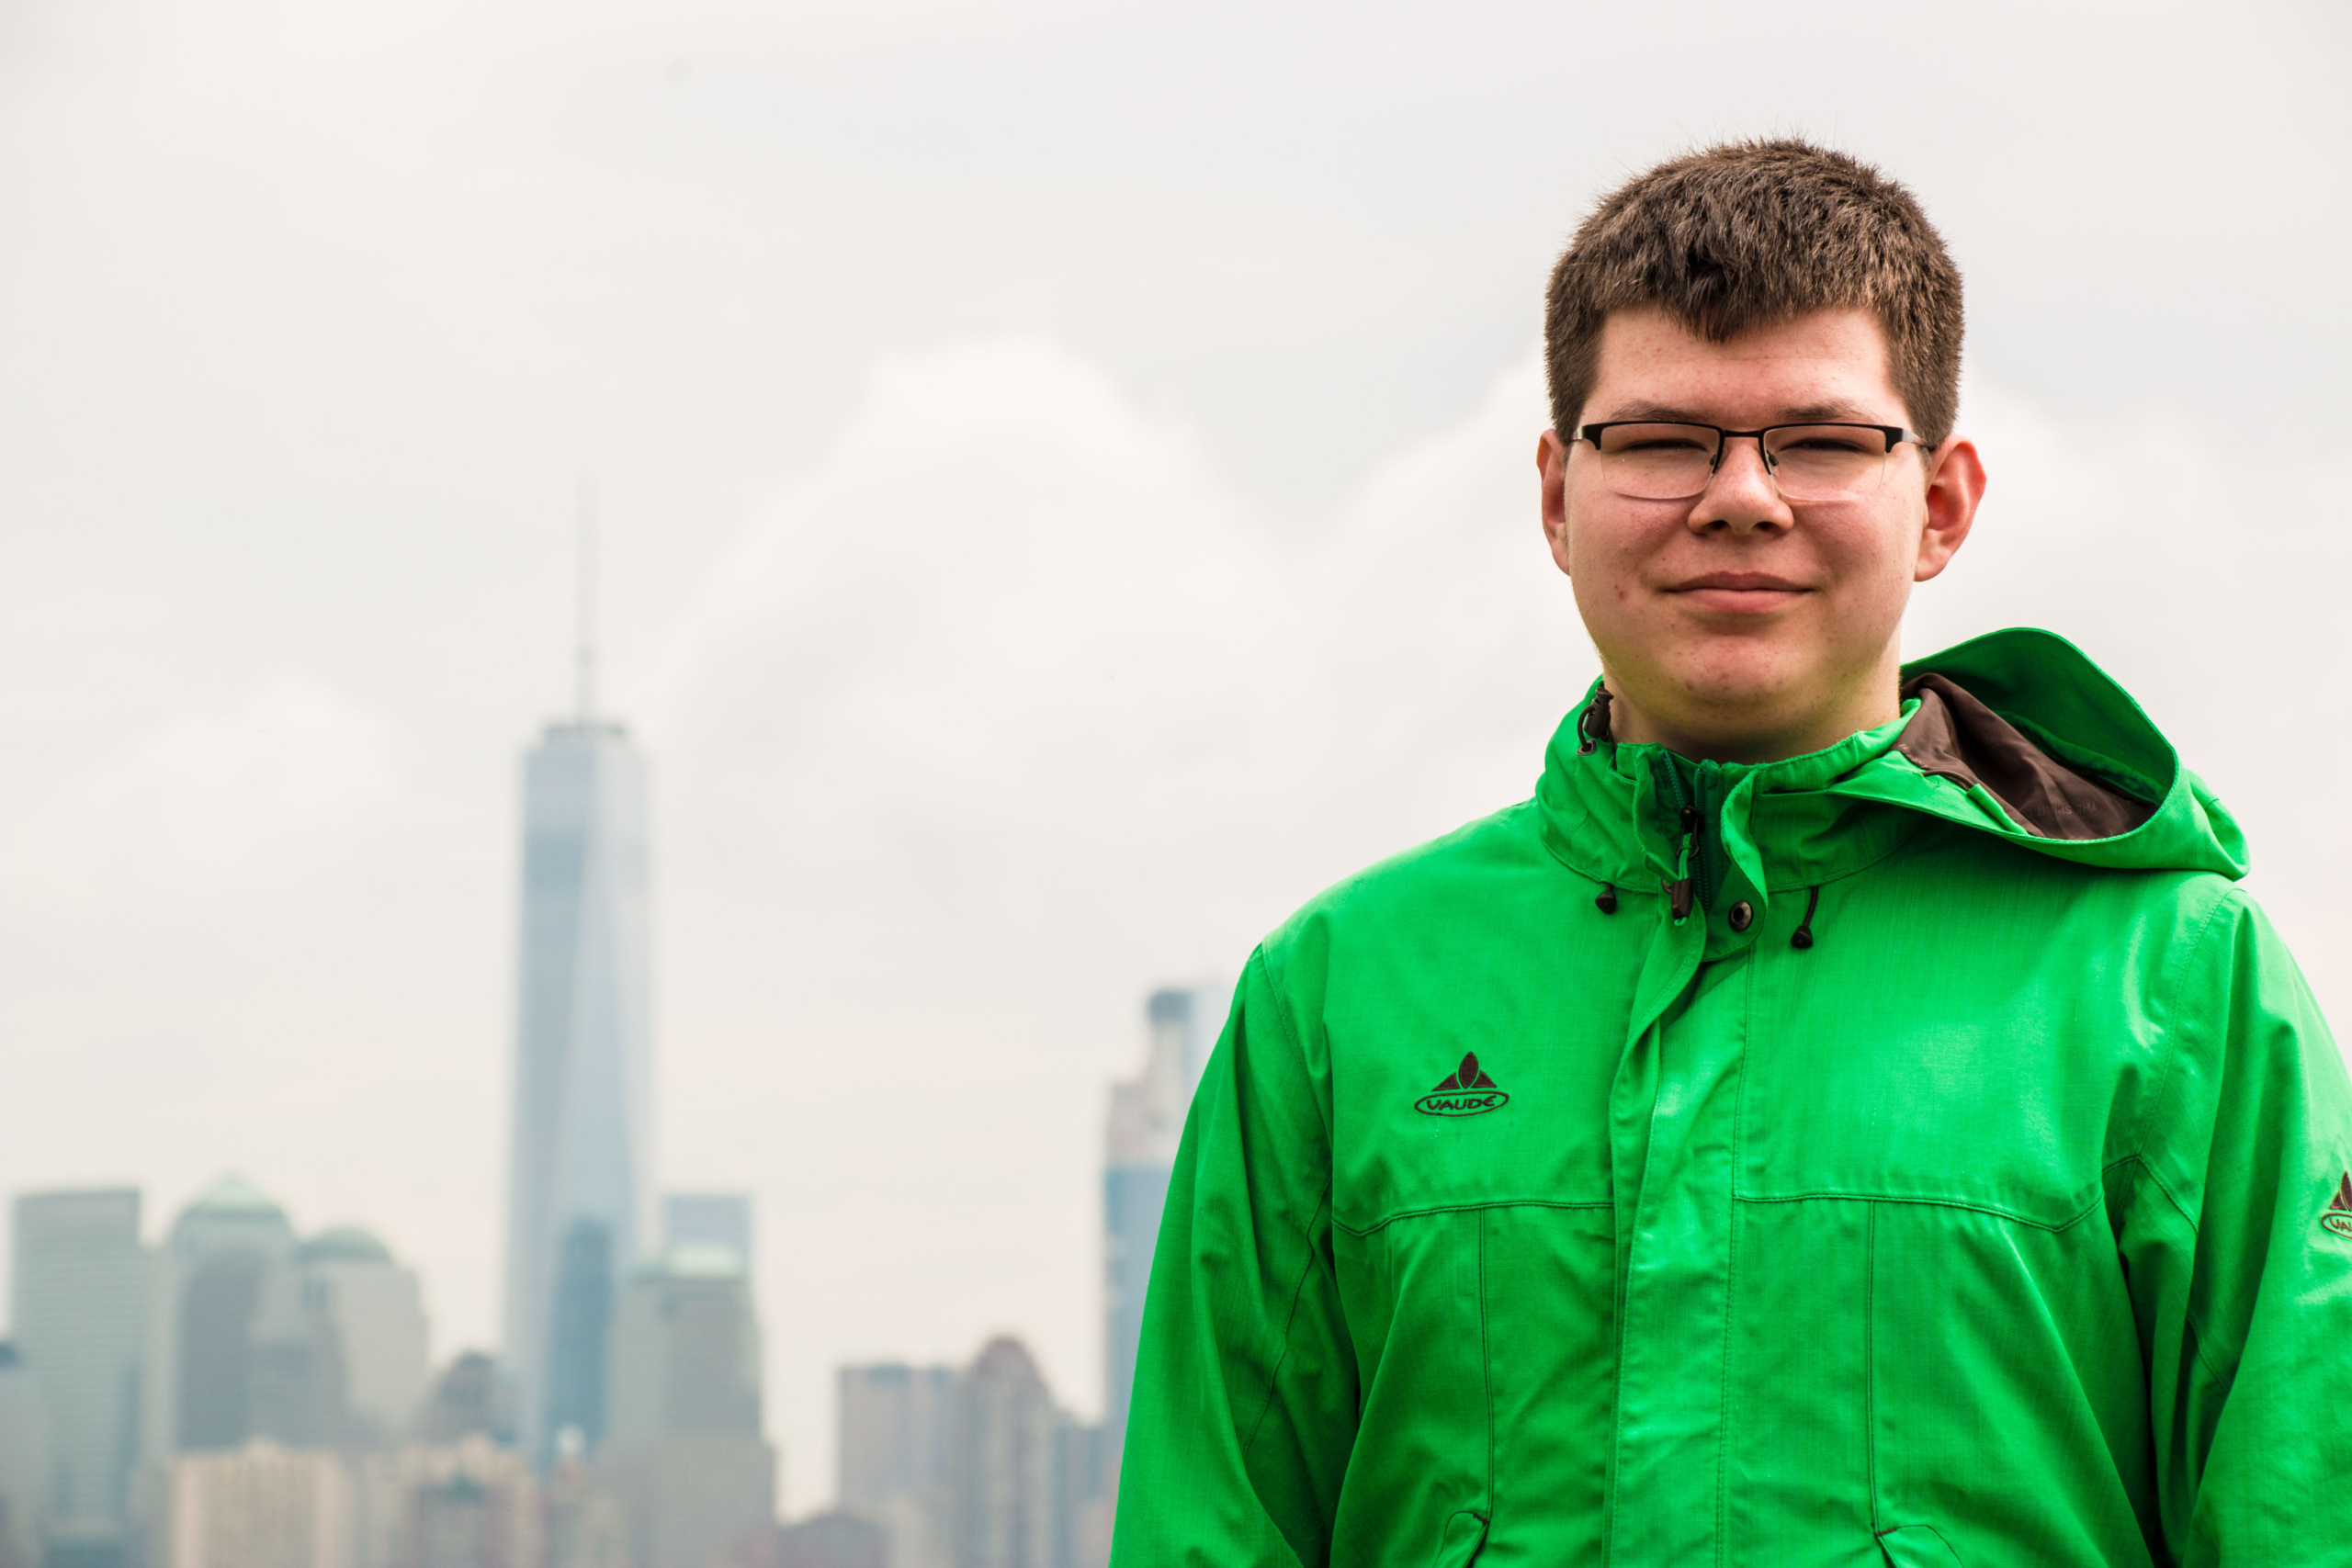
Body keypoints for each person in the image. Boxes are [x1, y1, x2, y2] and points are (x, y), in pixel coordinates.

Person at [1108, 140, 2352, 1567]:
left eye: (1821, 442)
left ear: (1942, 503)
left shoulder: (2176, 985)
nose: (1743, 497)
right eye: (1659, 441)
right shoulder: (1338, 995)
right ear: (1556, 496)